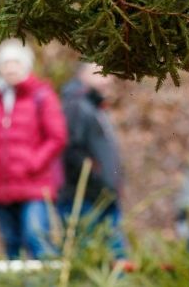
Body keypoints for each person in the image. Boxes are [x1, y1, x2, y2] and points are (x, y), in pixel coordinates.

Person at [0, 39, 67, 260]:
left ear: (26, 65)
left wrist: (33, 162)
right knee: (11, 244)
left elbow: (57, 137)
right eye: (5, 63)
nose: (10, 68)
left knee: (35, 237)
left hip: (34, 185)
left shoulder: (41, 96)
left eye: (15, 62)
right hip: (1, 187)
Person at [57, 62, 126, 260]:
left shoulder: (94, 105)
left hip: (105, 195)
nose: (108, 79)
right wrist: (97, 178)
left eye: (108, 73)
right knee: (85, 255)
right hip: (86, 198)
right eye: (99, 73)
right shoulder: (77, 104)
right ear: (83, 75)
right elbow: (72, 150)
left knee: (116, 254)